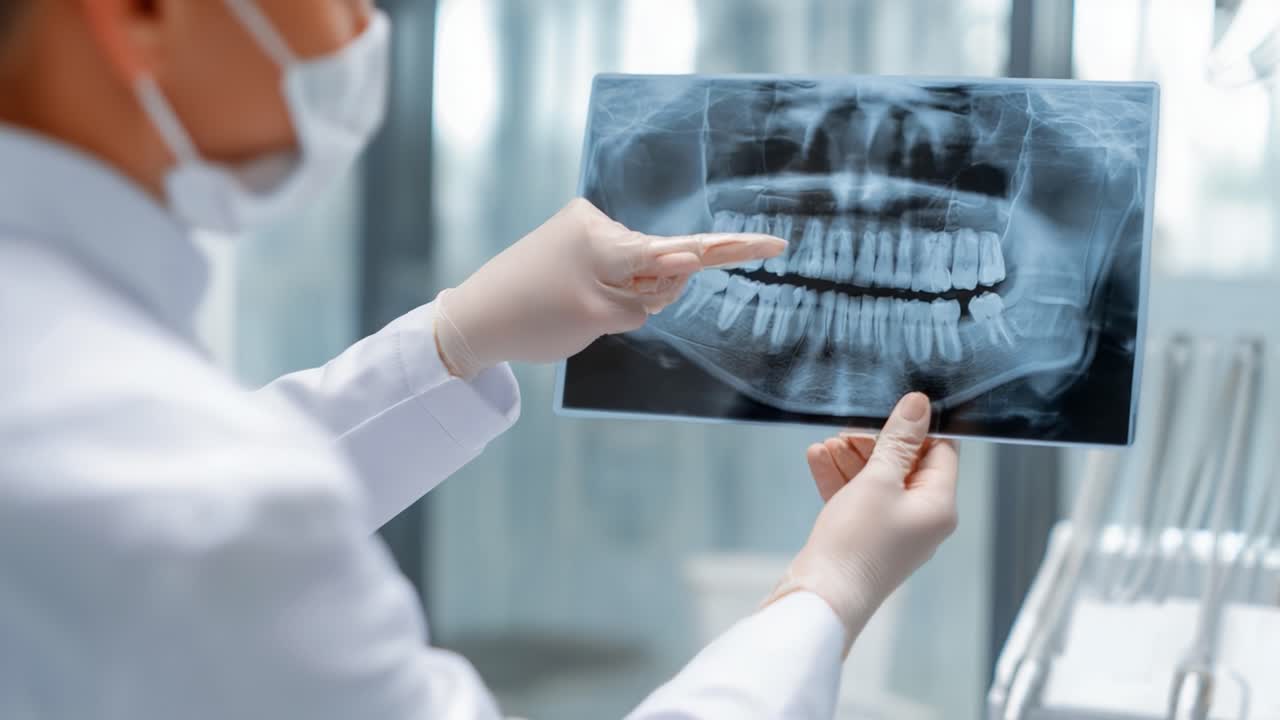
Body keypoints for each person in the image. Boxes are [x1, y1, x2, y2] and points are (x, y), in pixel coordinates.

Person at [0, 1, 960, 718]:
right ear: (138, 15)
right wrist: (825, 595)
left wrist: (457, 337)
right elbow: (205, 509)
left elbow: (189, 494)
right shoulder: (169, 481)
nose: (365, 24)